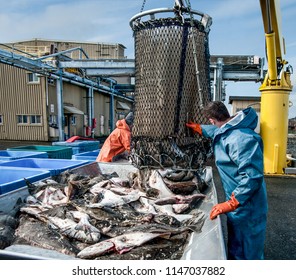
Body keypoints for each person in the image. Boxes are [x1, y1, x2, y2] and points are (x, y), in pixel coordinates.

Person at [186, 101, 268, 260]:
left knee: (247, 249)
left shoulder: (242, 139)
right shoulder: (230, 127)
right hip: (237, 200)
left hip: (247, 203)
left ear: (212, 119)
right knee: (237, 242)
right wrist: (200, 129)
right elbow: (218, 132)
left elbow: (252, 177)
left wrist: (233, 202)